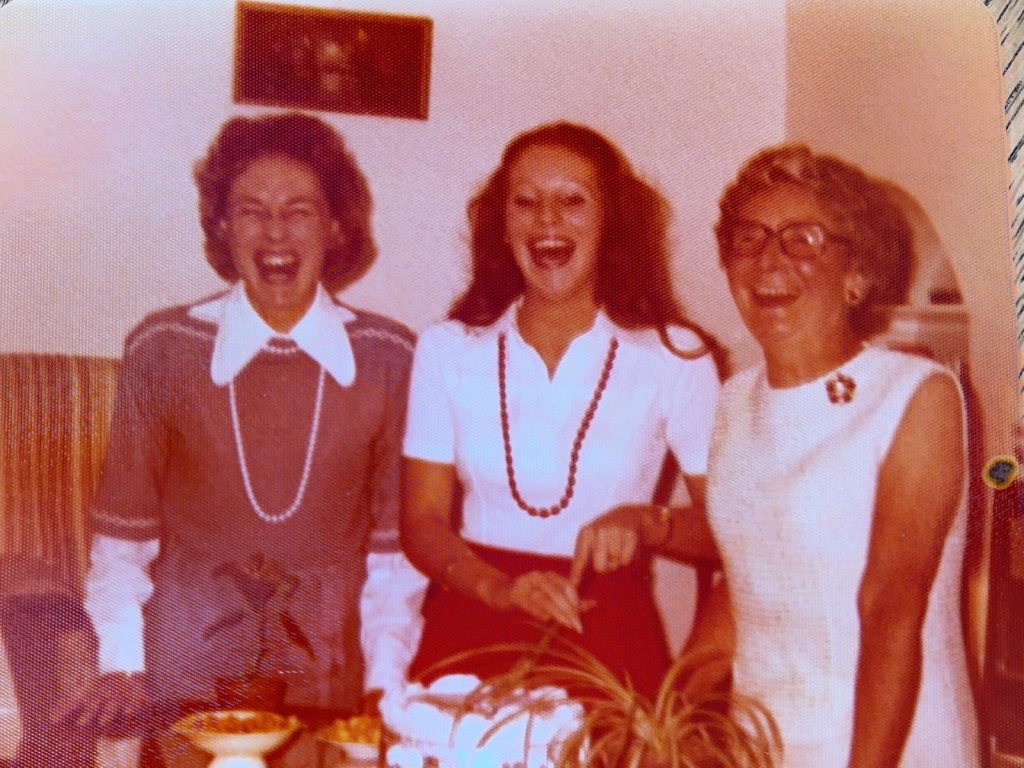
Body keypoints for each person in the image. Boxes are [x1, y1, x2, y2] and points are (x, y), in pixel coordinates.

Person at [69, 112, 426, 765]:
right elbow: (123, 541)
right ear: (222, 227)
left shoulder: (390, 359)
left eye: (300, 211)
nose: (275, 232)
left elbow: (394, 560)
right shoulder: (164, 349)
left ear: (335, 226)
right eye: (251, 211)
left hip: (330, 684)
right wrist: (120, 664)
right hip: (186, 681)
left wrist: (385, 686)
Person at [400, 121, 722, 699]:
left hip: (606, 635)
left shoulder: (677, 356)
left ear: (612, 222)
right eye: (525, 202)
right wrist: (499, 589)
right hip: (471, 621)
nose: (546, 220)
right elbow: (421, 524)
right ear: (502, 227)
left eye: (573, 201)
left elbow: (728, 530)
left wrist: (645, 522)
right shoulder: (446, 349)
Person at [701, 144, 980, 766]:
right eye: (748, 239)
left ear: (858, 274)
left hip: (887, 744)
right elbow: (744, 584)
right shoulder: (733, 401)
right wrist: (657, 720)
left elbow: (890, 609)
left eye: (803, 240)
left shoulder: (915, 394)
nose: (769, 260)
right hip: (763, 744)